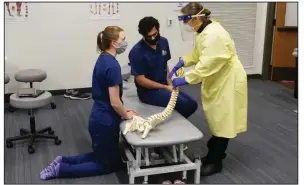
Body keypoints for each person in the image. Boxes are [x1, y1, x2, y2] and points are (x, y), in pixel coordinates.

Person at [39, 26, 138, 180]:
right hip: (105, 120)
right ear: (114, 43)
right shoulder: (113, 66)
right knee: (104, 165)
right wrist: (126, 114)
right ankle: (61, 169)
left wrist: (124, 110)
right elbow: (114, 102)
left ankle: (63, 160)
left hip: (98, 116)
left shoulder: (103, 58)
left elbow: (111, 98)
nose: (125, 42)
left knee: (102, 156)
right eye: (123, 39)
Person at [169, 3, 248, 176]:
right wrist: (184, 60)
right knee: (216, 118)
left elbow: (206, 65)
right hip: (217, 78)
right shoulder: (203, 32)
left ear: (197, 18)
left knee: (223, 121)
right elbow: (199, 55)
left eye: (188, 22)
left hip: (228, 80)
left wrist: (185, 79)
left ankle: (215, 161)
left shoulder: (214, 35)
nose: (187, 26)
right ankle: (214, 152)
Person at [129, 16, 198, 119]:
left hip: (165, 86)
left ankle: (176, 121)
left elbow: (164, 65)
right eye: (149, 36)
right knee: (184, 104)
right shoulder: (136, 52)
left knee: (193, 104)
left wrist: (170, 85)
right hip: (148, 92)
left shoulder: (163, 42)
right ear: (143, 35)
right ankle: (174, 124)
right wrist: (165, 88)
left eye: (155, 34)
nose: (153, 38)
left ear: (158, 30)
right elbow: (141, 80)